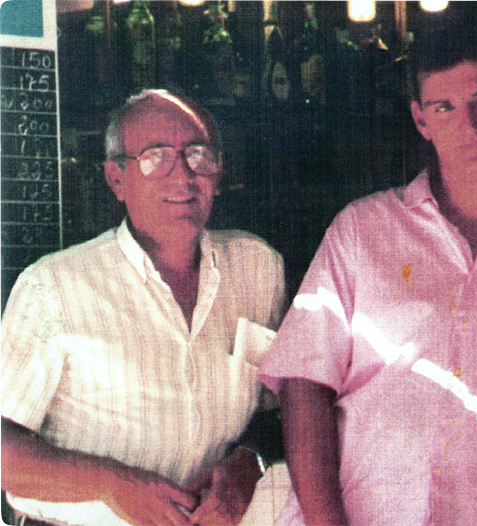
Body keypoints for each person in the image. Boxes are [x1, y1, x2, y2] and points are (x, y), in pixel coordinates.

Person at [259, 20, 477, 526]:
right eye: (443, 107)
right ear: (420, 119)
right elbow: (304, 385)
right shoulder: (361, 231)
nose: (469, 125)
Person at [0, 89, 287, 526]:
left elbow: (283, 411)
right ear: (116, 178)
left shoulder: (258, 269)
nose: (183, 176)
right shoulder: (52, 287)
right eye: (156, 157)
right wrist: (110, 484)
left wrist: (252, 459)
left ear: (218, 172)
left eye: (198, 155)